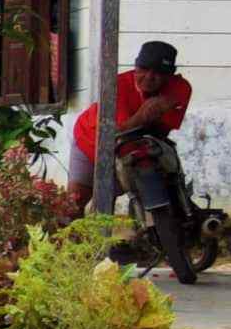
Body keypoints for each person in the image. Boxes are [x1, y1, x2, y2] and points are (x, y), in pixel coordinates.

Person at [83, 41, 203, 282]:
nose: (149, 78)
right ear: (135, 67)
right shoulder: (117, 84)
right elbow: (119, 130)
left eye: (158, 74)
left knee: (166, 165)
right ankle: (80, 259)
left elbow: (162, 126)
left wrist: (151, 115)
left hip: (139, 143)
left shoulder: (181, 87)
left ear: (169, 77)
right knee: (78, 199)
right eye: (143, 70)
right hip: (91, 139)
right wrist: (147, 112)